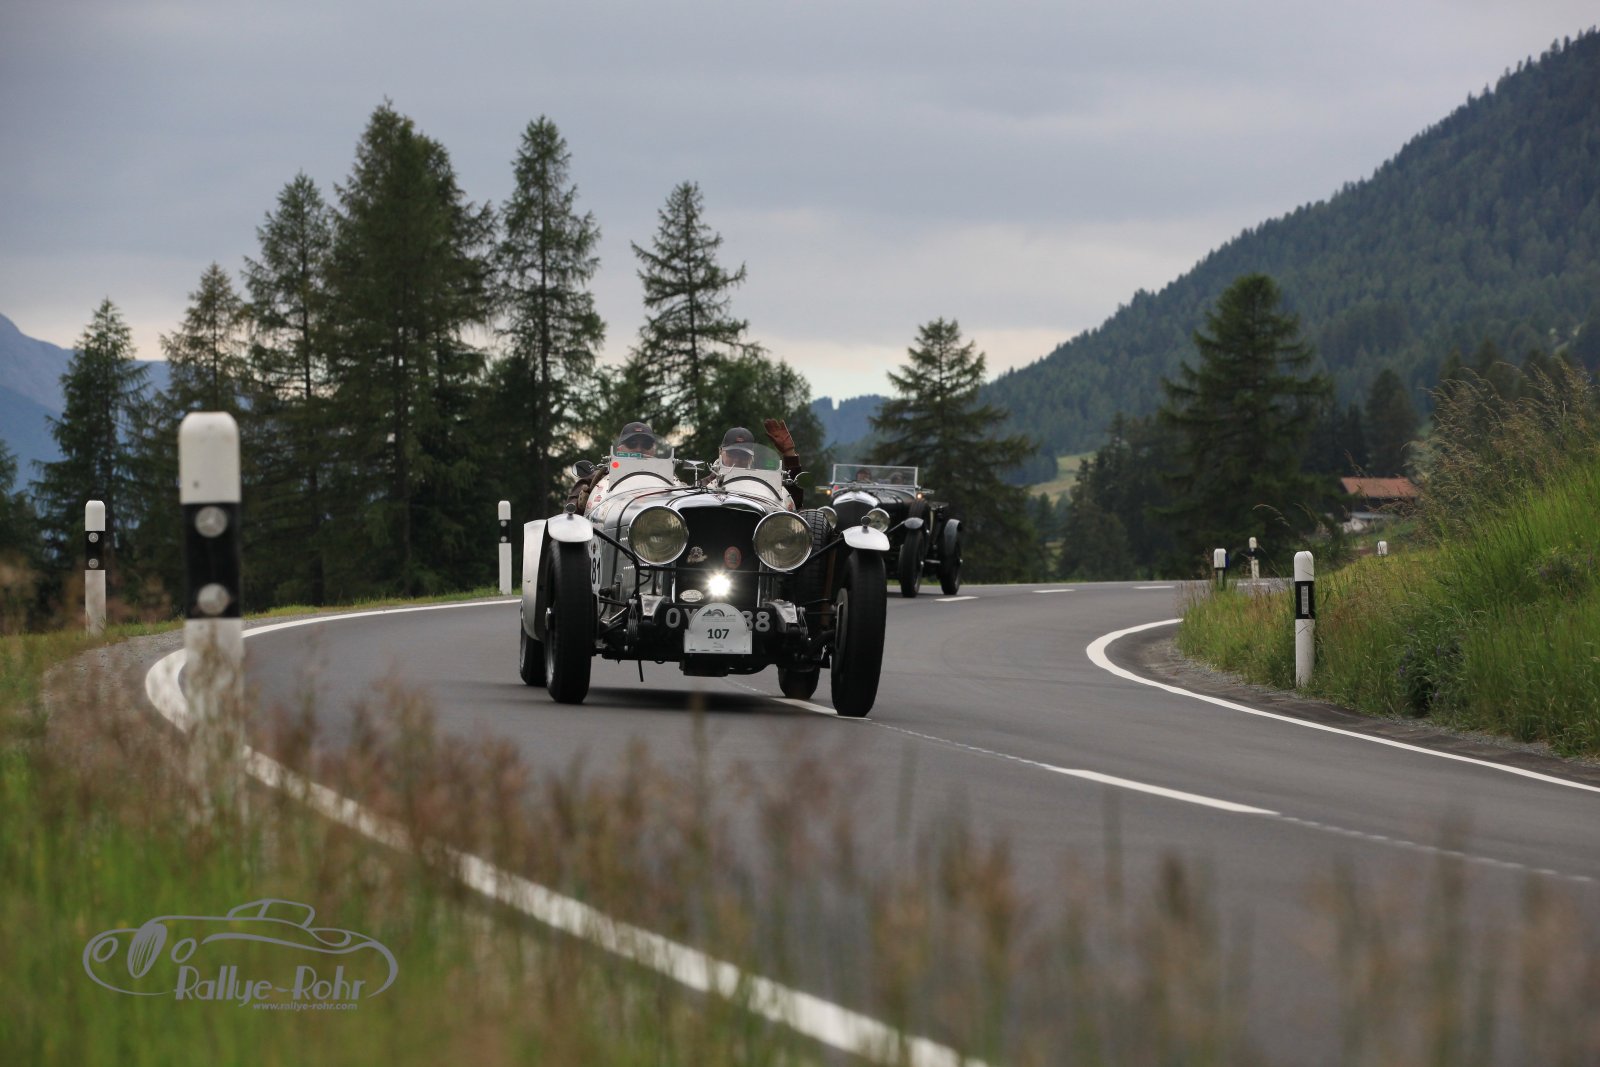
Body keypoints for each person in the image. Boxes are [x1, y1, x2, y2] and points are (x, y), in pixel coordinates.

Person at [706, 422, 805, 507]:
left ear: (751, 458)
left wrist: (789, 453)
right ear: (720, 452)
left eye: (743, 456)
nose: (736, 460)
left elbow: (793, 503)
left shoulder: (764, 486)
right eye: (731, 454)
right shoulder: (705, 485)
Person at [566, 421, 655, 512]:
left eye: (646, 445)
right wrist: (580, 505)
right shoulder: (596, 479)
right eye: (632, 443)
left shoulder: (662, 480)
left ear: (653, 450)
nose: (639, 449)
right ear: (620, 450)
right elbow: (569, 514)